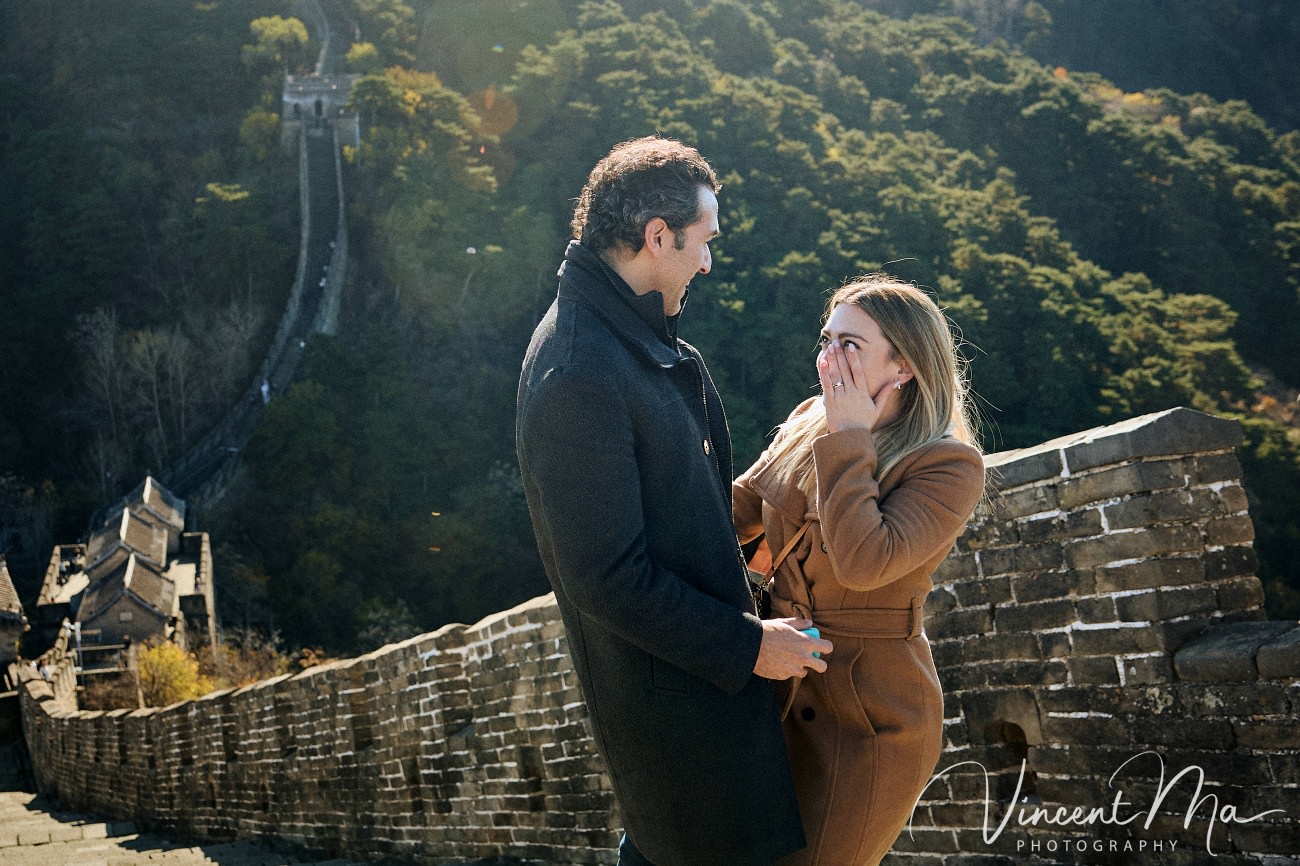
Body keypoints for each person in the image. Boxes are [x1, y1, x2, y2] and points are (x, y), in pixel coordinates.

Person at [516, 136, 830, 866]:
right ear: (658, 237)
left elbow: (677, 514)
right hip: (678, 725)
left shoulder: (619, 342)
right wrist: (751, 644)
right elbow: (606, 577)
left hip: (695, 709)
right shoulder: (579, 373)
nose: (709, 262)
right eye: (703, 241)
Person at [733, 275, 986, 866]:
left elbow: (863, 563)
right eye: (827, 340)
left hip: (871, 717)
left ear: (904, 367)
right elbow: (736, 514)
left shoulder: (948, 463)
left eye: (851, 345)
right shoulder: (806, 422)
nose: (829, 358)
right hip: (773, 689)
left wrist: (849, 435)